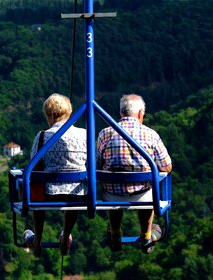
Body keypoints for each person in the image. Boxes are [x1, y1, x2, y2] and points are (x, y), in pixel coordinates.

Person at [97, 94, 172, 254]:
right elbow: (167, 166)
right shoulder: (151, 135)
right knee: (149, 190)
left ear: (121, 113)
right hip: (143, 195)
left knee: (112, 188)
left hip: (111, 194)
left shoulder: (105, 134)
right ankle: (146, 235)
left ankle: (115, 233)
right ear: (140, 114)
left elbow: (97, 164)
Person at [24, 93, 87, 256]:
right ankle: (66, 236)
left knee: (34, 184)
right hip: (78, 193)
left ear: (50, 115)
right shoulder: (83, 134)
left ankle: (37, 240)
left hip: (49, 194)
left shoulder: (43, 136)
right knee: (74, 192)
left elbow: (34, 164)